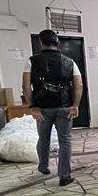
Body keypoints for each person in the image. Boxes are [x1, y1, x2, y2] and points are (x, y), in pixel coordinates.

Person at [22, 30, 83, 186]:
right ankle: (64, 176)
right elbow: (79, 85)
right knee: (65, 141)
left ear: (41, 43)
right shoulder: (70, 62)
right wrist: (75, 105)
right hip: (64, 108)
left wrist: (32, 106)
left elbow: (26, 86)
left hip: (42, 109)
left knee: (43, 139)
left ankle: (43, 167)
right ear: (58, 43)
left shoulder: (31, 61)